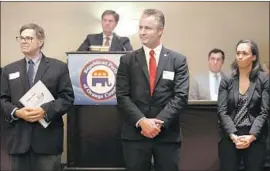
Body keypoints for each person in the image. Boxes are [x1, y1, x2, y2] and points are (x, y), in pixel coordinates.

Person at [116, 9, 189, 171]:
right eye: (140, 27)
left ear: (160, 30)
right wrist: (142, 122)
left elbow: (180, 96)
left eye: (147, 28)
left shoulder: (177, 60)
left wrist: (158, 123)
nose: (142, 32)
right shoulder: (127, 60)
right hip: (135, 135)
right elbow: (122, 96)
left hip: (167, 136)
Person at [0, 23, 74, 171]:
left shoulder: (58, 67)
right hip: (18, 141)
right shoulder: (9, 69)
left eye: (28, 38)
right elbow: (3, 99)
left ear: (40, 42)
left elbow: (67, 98)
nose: (23, 41)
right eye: (21, 38)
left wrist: (44, 111)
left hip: (47, 142)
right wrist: (16, 112)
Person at [217, 40, 269, 171]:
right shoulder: (227, 79)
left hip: (255, 136)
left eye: (244, 53)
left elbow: (264, 111)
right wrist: (234, 136)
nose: (240, 56)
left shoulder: (263, 79)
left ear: (254, 57)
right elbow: (222, 111)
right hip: (230, 136)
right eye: (238, 53)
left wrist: (251, 137)